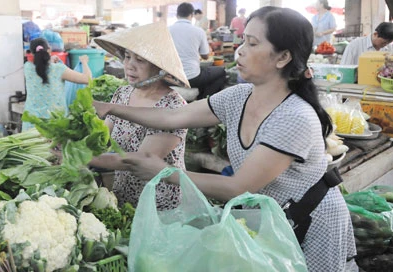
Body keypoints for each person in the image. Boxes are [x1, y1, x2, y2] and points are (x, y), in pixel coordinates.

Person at [93, 7, 357, 272]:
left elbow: (237, 187)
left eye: (252, 43)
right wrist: (110, 108)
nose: (240, 50)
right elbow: (172, 117)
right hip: (270, 219)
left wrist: (166, 173)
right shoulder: (239, 96)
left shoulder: (294, 117)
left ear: (283, 57)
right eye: (242, 40)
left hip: (310, 222)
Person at [91, 22, 189, 210]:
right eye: (127, 57)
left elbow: (141, 159)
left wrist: (86, 158)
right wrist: (73, 141)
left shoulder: (173, 107)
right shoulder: (122, 94)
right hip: (123, 196)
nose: (130, 66)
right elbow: (101, 136)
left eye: (140, 60)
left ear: (158, 67)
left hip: (159, 203)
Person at [22, 38, 92, 131]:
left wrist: (49, 61)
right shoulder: (58, 69)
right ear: (49, 50)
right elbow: (87, 79)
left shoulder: (27, 68)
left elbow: (41, 67)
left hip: (31, 125)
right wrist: (84, 62)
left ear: (31, 53)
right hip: (54, 125)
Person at [170, 2, 226, 99]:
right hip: (192, 78)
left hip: (171, 77)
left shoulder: (167, 30)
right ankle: (204, 99)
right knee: (221, 71)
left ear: (176, 15)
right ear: (192, 15)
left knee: (204, 72)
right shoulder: (198, 31)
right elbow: (205, 56)